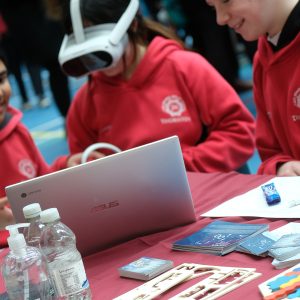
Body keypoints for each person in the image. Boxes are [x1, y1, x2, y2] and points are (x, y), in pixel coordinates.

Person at [60, 0, 255, 173]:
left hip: (206, 196)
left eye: (102, 51)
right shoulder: (86, 101)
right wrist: (72, 165)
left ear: (133, 25)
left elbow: (239, 134)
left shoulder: (184, 67)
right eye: (88, 56)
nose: (98, 63)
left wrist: (167, 167)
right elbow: (80, 167)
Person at [0, 48, 103, 245]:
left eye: (1, 80)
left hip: (41, 244)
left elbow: (40, 181)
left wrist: (64, 164)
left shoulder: (17, 130)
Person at [206, 0, 300, 176]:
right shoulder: (262, 62)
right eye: (213, 7)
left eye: (226, 1)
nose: (220, 19)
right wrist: (281, 168)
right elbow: (270, 155)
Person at [0, 0, 71, 118]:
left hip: (34, 26)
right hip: (29, 28)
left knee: (55, 69)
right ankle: (35, 97)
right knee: (53, 68)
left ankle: (42, 97)